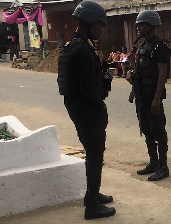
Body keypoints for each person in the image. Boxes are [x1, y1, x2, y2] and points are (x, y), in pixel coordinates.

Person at [57, 0, 116, 220]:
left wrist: (103, 70)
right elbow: (88, 87)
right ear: (89, 23)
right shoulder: (82, 49)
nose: (101, 30)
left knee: (93, 153)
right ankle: (92, 206)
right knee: (95, 154)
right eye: (99, 25)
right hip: (87, 108)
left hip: (77, 106)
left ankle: (92, 195)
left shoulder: (73, 44)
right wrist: (100, 106)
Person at [126, 10, 171, 181]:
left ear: (152, 25)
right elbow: (140, 69)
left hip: (153, 95)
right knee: (146, 129)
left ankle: (163, 166)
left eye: (142, 24)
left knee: (158, 130)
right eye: (138, 24)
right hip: (141, 95)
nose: (138, 27)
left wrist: (157, 98)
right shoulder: (142, 46)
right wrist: (131, 74)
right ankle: (153, 162)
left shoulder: (160, 47)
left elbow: (162, 74)